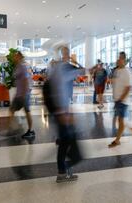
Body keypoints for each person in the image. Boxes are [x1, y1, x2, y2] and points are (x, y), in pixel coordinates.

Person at [44, 46, 82, 183]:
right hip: (60, 111)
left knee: (64, 142)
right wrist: (61, 112)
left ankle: (63, 170)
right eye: (65, 53)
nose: (67, 55)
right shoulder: (60, 69)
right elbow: (55, 90)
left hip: (62, 110)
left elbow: (81, 71)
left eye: (68, 53)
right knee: (66, 143)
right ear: (61, 55)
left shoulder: (62, 68)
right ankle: (62, 171)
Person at [9, 51, 35, 139]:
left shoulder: (23, 66)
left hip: (24, 93)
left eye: (15, 56)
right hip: (19, 94)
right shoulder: (18, 66)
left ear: (19, 56)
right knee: (12, 109)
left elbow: (26, 80)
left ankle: (31, 131)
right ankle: (11, 129)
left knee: (27, 111)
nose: (13, 58)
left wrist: (24, 94)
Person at [108, 56, 131, 148]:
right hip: (117, 100)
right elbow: (116, 82)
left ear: (124, 61)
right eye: (117, 58)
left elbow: (128, 87)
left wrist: (121, 99)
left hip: (122, 101)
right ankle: (119, 137)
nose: (117, 60)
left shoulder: (126, 72)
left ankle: (117, 140)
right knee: (119, 119)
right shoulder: (117, 71)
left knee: (121, 120)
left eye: (120, 59)